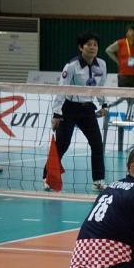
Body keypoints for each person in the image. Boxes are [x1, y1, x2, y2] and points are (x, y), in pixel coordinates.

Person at [47, 31, 109, 192]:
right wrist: (56, 114)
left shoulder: (101, 64)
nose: (92, 47)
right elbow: (62, 89)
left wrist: (104, 105)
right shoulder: (71, 66)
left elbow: (100, 87)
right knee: (62, 144)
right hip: (69, 108)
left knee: (97, 144)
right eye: (88, 44)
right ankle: (47, 177)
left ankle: (98, 180)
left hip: (88, 109)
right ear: (81, 47)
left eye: (95, 45)